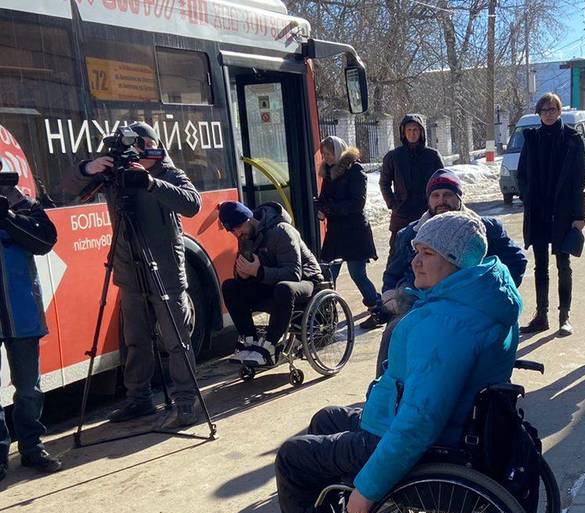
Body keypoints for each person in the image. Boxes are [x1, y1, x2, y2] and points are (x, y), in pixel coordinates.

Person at [255, 211, 522, 513]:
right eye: (416, 250)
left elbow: (419, 423)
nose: (414, 261)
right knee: (326, 418)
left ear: (457, 262)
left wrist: (367, 489)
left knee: (293, 457)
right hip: (447, 425)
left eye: (427, 253)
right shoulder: (483, 299)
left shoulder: (447, 325)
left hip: (422, 441)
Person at [64, 122, 202, 428]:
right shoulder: (116, 175)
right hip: (129, 269)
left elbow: (193, 204)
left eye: (140, 144)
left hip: (164, 269)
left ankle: (185, 403)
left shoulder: (169, 173)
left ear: (152, 145)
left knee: (177, 340)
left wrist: (151, 183)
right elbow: (70, 187)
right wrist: (89, 168)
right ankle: (139, 399)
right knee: (135, 340)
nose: (135, 150)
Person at [377, 168, 527, 374]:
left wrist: (490, 291)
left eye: (448, 195)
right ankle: (386, 388)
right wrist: (393, 298)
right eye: (435, 196)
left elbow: (517, 260)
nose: (441, 201)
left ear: (459, 198)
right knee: (394, 334)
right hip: (417, 306)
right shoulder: (409, 234)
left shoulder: (485, 229)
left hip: (468, 308)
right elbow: (392, 274)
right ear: (428, 200)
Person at [0, 179, 62, 480]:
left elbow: (46, 240)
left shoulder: (19, 199)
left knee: (28, 388)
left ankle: (32, 448)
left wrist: (9, 218)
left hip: (20, 309)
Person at [219, 201, 324, 366]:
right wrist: (243, 275)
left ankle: (270, 346)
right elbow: (247, 272)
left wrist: (258, 272)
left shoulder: (281, 231)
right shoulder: (245, 238)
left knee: (284, 288)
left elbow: (293, 274)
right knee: (230, 286)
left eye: (238, 226)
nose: (237, 233)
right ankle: (249, 341)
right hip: (272, 283)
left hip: (307, 280)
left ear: (249, 218)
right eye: (232, 230)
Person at [516, 92, 585, 337]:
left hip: (564, 211)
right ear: (539, 113)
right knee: (540, 266)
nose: (548, 114)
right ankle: (541, 315)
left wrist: (580, 215)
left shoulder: (572, 139)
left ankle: (564, 317)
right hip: (538, 211)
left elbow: (579, 180)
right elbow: (522, 174)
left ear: (559, 111)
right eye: (543, 110)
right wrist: (528, 197)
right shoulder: (532, 139)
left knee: (563, 264)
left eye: (552, 109)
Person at [316, 136, 384, 331]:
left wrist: (329, 209)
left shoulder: (355, 170)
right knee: (327, 275)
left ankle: (376, 309)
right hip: (336, 232)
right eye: (323, 154)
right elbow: (323, 198)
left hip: (355, 231)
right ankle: (326, 319)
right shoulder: (328, 172)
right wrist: (320, 209)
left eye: (329, 153)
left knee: (357, 274)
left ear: (338, 152)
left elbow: (357, 203)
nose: (326, 158)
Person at [379, 114, 444, 255]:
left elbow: (442, 181)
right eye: (409, 130)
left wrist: (436, 204)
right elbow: (384, 183)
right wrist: (392, 203)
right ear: (403, 132)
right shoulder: (394, 156)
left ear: (421, 132)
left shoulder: (432, 155)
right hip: (401, 215)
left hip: (427, 213)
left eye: (415, 129)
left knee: (430, 253)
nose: (412, 133)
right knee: (398, 255)